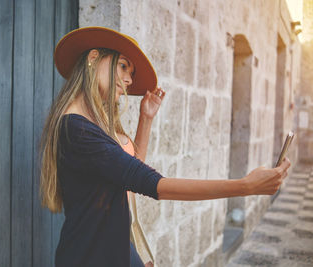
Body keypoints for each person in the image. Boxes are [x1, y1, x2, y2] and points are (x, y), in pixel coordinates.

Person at [38, 27, 291, 267]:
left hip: (116, 251)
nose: (127, 80)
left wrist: (145, 119)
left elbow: (129, 173)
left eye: (131, 74)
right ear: (94, 57)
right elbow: (148, 182)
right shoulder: (77, 130)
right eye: (124, 66)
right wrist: (246, 186)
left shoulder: (91, 122)